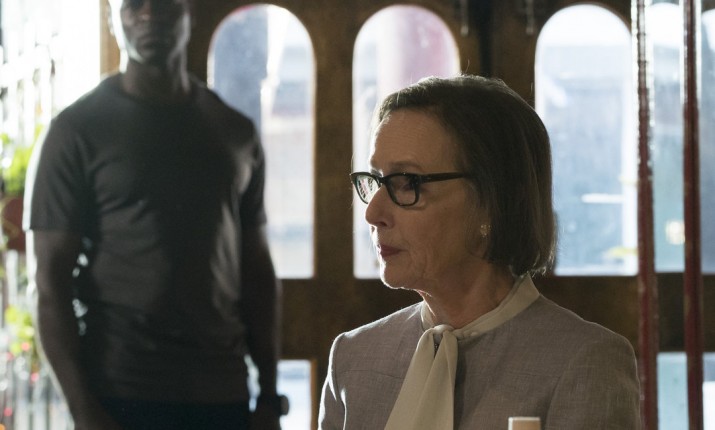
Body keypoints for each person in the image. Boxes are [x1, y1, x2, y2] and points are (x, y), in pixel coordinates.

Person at [318, 75, 641, 429]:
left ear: (491, 201)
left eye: (407, 182)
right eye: (376, 180)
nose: (373, 213)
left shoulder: (584, 363)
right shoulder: (354, 358)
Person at [23, 0, 285, 429]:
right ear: (113, 18)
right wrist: (83, 410)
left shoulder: (233, 130)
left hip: (221, 391)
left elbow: (257, 271)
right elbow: (49, 284)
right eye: (133, 5)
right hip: (120, 392)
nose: (149, 15)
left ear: (189, 13)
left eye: (164, 4)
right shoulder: (75, 131)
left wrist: (270, 396)